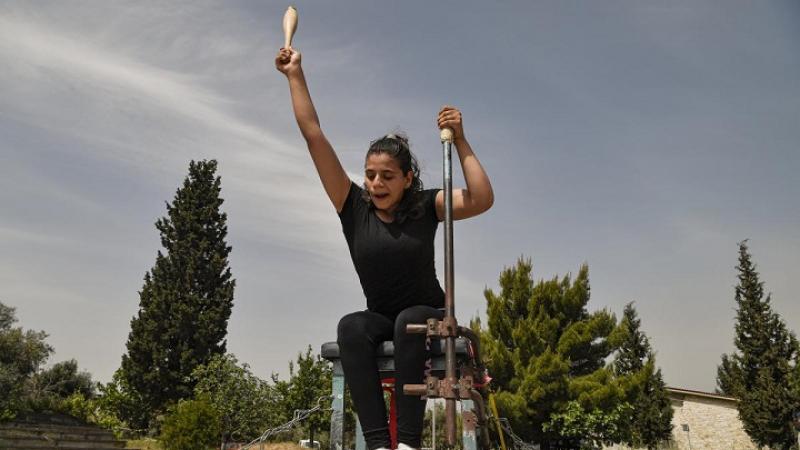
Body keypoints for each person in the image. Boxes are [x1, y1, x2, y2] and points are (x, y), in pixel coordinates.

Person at [276, 46, 493, 450]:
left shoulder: (427, 204)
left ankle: (408, 443)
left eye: (388, 176)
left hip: (427, 312)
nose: (376, 183)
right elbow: (313, 135)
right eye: (370, 174)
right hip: (381, 313)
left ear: (408, 178)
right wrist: (295, 75)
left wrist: (461, 140)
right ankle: (378, 444)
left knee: (408, 321)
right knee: (351, 327)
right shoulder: (351, 205)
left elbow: (481, 198)